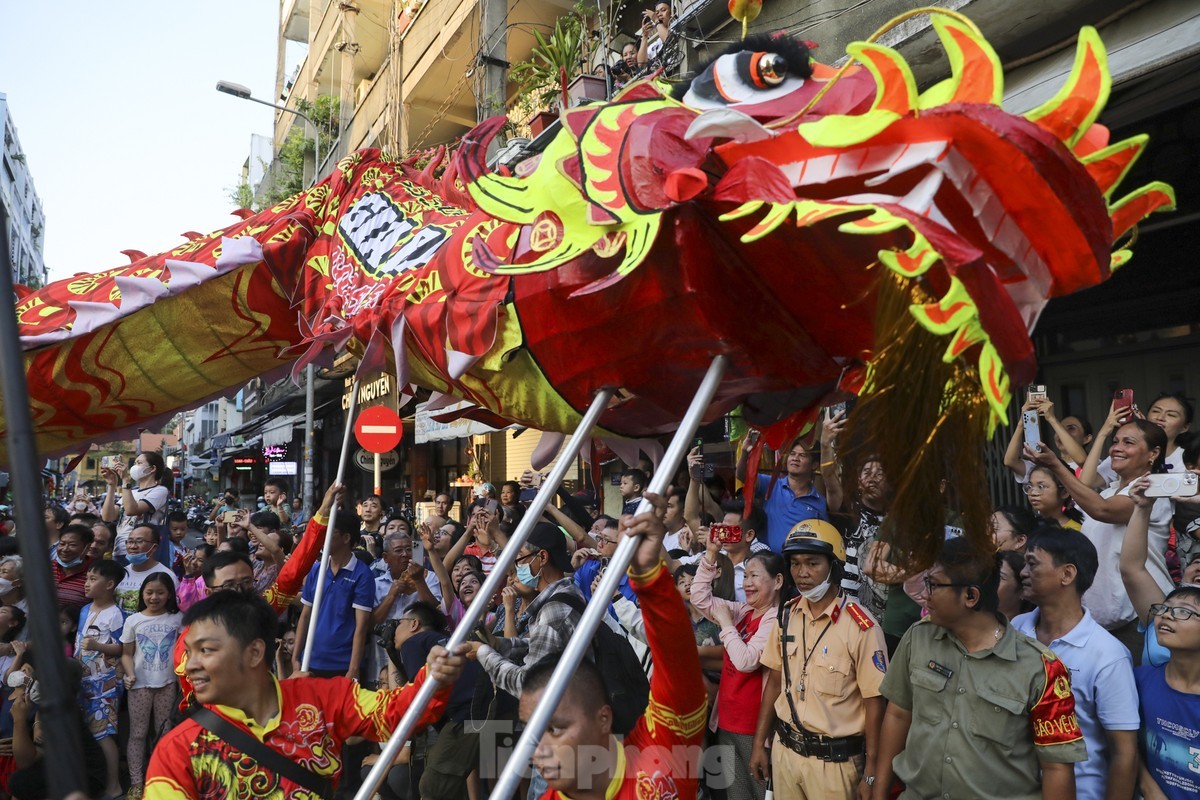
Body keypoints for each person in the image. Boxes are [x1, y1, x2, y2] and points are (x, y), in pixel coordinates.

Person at [145, 591, 468, 798]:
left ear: (255, 652)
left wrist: (434, 678)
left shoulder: (321, 698)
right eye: (189, 652)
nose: (191, 665)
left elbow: (397, 714)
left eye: (206, 650)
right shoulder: (178, 748)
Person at [518, 491, 707, 799]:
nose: (539, 751)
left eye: (555, 729)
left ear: (603, 718)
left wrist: (649, 576)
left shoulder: (660, 754)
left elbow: (678, 662)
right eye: (532, 731)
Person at [871, 537, 1087, 800]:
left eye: (933, 585)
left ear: (971, 596)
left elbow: (1056, 767)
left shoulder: (1041, 669)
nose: (925, 594)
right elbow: (898, 715)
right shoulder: (918, 638)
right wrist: (879, 790)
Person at [751, 519, 887, 799]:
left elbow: (874, 704)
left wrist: (871, 772)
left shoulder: (862, 627)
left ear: (834, 567)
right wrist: (758, 745)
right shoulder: (786, 616)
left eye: (813, 563)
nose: (802, 573)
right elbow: (775, 681)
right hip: (785, 753)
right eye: (796, 563)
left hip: (834, 766)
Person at [1027, 418, 1172, 657]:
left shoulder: (1150, 491)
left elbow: (1102, 510)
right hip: (1103, 615)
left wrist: (1056, 465)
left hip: (1138, 613)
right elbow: (1093, 496)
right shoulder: (1106, 491)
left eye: (1128, 442)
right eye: (1115, 441)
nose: (1116, 448)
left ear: (1153, 453)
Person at [1013, 528, 1139, 800]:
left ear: (1067, 574)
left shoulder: (1107, 655)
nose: (1022, 572)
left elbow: (1124, 752)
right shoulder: (1015, 630)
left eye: (1032, 563)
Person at [692, 527, 785, 800]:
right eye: (745, 576)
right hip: (726, 721)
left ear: (777, 581)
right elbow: (699, 597)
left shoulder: (776, 619)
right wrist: (711, 554)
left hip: (753, 727)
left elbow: (746, 661)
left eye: (755, 576)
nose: (746, 584)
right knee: (736, 795)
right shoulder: (745, 610)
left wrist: (725, 623)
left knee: (759, 792)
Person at [470, 522, 583, 698]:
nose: (518, 567)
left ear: (542, 557)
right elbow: (540, 645)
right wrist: (499, 644)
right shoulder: (569, 593)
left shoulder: (554, 612)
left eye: (521, 558)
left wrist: (483, 653)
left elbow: (529, 685)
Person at [1120, 475, 1200, 667]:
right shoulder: (1162, 609)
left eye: (1185, 612)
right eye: (1196, 561)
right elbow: (1131, 568)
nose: (1168, 615)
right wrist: (1142, 508)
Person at [121, 572, 184, 800]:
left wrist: (182, 684)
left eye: (160, 592)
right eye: (149, 592)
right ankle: (137, 782)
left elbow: (182, 653)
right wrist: (129, 675)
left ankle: (162, 778)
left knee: (164, 733)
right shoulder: (133, 620)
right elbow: (126, 654)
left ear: (169, 595)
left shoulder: (178, 619)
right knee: (137, 734)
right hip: (140, 685)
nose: (154, 597)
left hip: (168, 685)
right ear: (142, 594)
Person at [1134, 586, 1200, 799]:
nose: (1165, 615)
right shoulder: (1140, 680)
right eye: (1164, 608)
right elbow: (1123, 744)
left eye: (1183, 611)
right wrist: (1148, 788)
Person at [293, 510, 375, 679]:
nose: (323, 537)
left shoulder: (362, 574)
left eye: (330, 532)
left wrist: (353, 669)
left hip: (342, 665)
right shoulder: (316, 570)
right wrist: (296, 657)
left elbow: (361, 626)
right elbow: (305, 616)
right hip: (310, 660)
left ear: (346, 538)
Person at [77, 559, 127, 800]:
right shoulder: (84, 610)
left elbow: (121, 648)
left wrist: (98, 645)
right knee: (91, 732)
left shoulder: (116, 613)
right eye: (87, 578)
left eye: (93, 579)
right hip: (84, 680)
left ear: (109, 585)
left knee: (104, 733)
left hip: (104, 684)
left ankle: (114, 785)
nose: (87, 583)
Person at [737, 431, 828, 552]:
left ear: (814, 465)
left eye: (802, 455)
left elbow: (824, 538)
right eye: (792, 454)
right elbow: (742, 475)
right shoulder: (771, 485)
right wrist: (744, 452)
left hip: (798, 566)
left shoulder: (819, 502)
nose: (795, 458)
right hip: (768, 565)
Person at [101, 452, 171, 560]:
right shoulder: (131, 491)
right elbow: (108, 517)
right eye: (134, 463)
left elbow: (132, 510)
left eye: (139, 463)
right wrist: (112, 485)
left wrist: (125, 479)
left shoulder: (160, 491)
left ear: (152, 468)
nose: (134, 467)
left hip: (142, 552)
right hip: (120, 549)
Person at [115, 523, 179, 614]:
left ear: (154, 547)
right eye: (130, 541)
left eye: (139, 541)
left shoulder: (167, 576)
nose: (133, 546)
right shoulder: (120, 573)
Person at [1024, 465, 1083, 530]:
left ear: (1064, 492)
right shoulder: (1027, 528)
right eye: (1030, 486)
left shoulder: (1074, 531)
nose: (1033, 493)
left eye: (1041, 486)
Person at [51, 523, 94, 611]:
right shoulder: (47, 567)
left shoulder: (94, 573)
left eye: (72, 545)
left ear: (87, 547)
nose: (65, 549)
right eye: (62, 544)